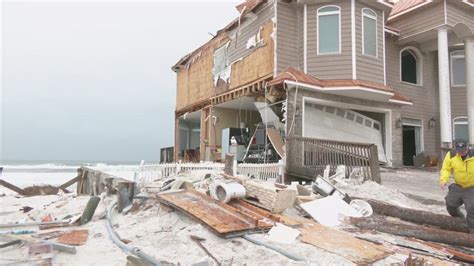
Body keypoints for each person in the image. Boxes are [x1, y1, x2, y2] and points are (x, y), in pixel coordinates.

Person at [440, 139, 474, 233]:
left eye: (463, 150)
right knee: (450, 204)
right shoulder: (451, 154)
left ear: (468, 147)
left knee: (472, 208)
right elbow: (446, 169)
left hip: (472, 186)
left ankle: (472, 231)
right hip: (458, 185)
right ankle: (460, 221)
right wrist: (443, 180)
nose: (461, 153)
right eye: (459, 151)